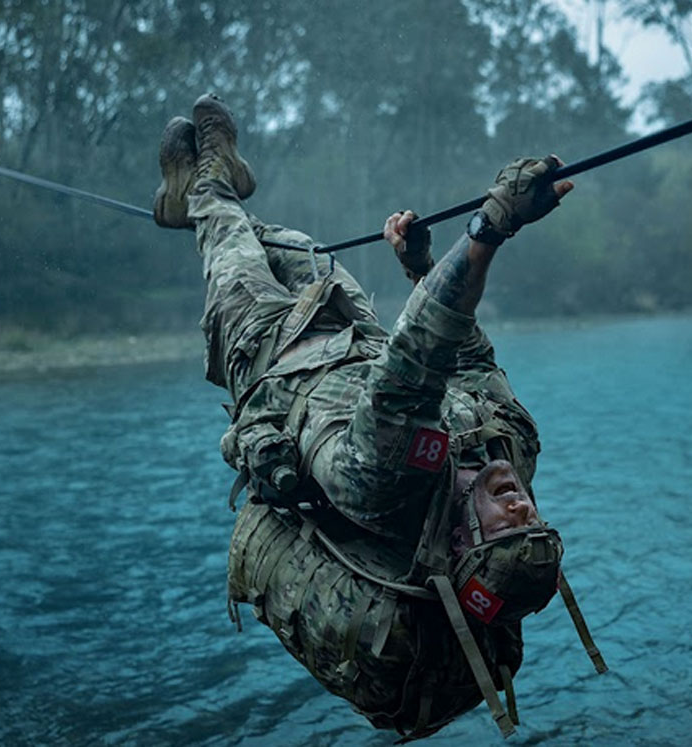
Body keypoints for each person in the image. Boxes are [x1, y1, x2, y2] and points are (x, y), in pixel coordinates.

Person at [154, 95, 604, 741]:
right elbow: (468, 356)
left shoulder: (387, 483)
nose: (524, 507)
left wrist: (490, 227)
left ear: (459, 543)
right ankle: (191, 194)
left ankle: (202, 186)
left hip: (268, 352)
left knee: (227, 229)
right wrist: (421, 266)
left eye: (506, 528)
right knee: (296, 245)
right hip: (352, 332)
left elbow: (418, 360)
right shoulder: (511, 449)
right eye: (534, 520)